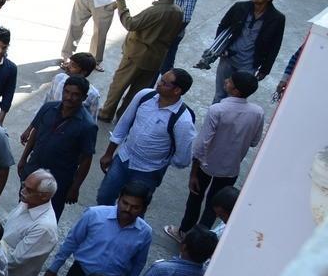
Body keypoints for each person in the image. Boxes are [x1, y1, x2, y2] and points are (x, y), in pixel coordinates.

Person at [172, 71, 264, 242]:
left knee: (195, 198)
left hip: (206, 165)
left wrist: (193, 172)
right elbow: (254, 141)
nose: (226, 80)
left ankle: (184, 231)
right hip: (231, 168)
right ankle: (198, 240)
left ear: (235, 90)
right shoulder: (257, 112)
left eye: (230, 81)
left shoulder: (217, 109)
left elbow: (201, 144)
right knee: (214, 206)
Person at [95, 70, 195, 205]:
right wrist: (109, 153)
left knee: (134, 209)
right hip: (123, 158)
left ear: (177, 90)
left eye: (164, 83)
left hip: (148, 172)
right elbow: (124, 124)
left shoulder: (183, 121)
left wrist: (160, 162)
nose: (158, 83)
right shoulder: (145, 95)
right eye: (161, 79)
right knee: (104, 197)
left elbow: (182, 159)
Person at [101, 0, 185, 120]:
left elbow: (130, 24)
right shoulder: (178, 12)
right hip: (156, 58)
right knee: (138, 90)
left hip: (136, 54)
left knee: (119, 85)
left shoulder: (156, 11)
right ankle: (124, 116)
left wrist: (121, 2)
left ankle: (106, 113)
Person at [19, 77, 98, 217]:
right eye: (66, 92)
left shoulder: (88, 126)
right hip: (33, 169)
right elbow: (35, 133)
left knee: (48, 215)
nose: (69, 97)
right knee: (23, 207)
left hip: (58, 180)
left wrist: (75, 188)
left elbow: (86, 159)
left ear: (84, 97)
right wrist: (23, 159)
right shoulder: (48, 108)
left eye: (75, 94)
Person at [204, 0, 286, 103]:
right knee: (220, 94)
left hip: (249, 64)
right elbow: (223, 26)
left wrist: (265, 69)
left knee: (236, 99)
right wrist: (220, 48)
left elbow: (275, 45)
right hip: (228, 59)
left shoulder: (277, 18)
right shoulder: (239, 7)